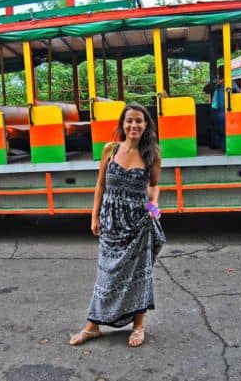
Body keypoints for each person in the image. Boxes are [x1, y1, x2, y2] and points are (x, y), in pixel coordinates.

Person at [69, 103, 165, 348]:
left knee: (138, 276)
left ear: (146, 125)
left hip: (138, 223)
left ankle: (139, 326)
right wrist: (94, 216)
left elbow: (154, 186)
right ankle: (93, 327)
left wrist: (153, 206)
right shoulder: (110, 149)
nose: (134, 125)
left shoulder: (152, 154)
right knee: (106, 274)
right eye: (129, 120)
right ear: (123, 124)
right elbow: (100, 184)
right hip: (110, 222)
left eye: (139, 121)